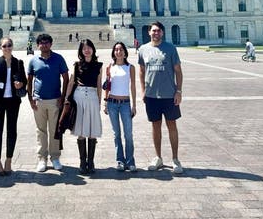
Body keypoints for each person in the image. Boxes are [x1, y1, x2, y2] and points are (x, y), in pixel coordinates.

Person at [138, 21, 184, 175]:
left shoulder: (170, 48)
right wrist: (143, 90)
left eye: (158, 31)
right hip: (151, 96)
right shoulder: (143, 49)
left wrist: (178, 91)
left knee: (172, 126)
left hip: (169, 95)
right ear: (149, 32)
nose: (155, 33)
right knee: (155, 127)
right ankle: (158, 157)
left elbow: (178, 71)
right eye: (153, 31)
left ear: (162, 33)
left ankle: (175, 159)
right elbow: (141, 71)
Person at [27, 33, 69, 172]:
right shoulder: (33, 60)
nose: (44, 45)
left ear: (51, 44)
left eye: (46, 42)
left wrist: (62, 97)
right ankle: (42, 158)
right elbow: (29, 80)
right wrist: (30, 98)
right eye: (41, 43)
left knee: (54, 130)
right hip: (38, 100)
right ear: (38, 45)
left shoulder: (58, 58)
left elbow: (66, 78)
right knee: (41, 131)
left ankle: (55, 157)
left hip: (54, 100)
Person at [64, 39, 103, 174]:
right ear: (81, 51)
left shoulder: (99, 65)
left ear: (93, 49)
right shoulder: (76, 65)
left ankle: (91, 162)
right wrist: (67, 100)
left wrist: (99, 101)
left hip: (92, 97)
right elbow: (70, 83)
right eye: (84, 48)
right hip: (79, 96)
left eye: (89, 47)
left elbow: (99, 84)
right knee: (80, 129)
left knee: (92, 130)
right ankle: (82, 161)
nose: (87, 50)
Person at [0, 37, 27, 176]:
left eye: (9, 45)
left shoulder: (18, 63)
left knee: (12, 130)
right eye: (4, 46)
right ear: (0, 47)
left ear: (12, 46)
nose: (7, 48)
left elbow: (24, 79)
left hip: (13, 101)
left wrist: (21, 84)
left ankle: (9, 160)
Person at [104, 41, 137, 172]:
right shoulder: (110, 66)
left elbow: (133, 86)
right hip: (112, 103)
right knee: (116, 134)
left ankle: (130, 161)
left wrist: (134, 105)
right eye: (116, 50)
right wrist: (105, 103)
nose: (119, 52)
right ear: (113, 52)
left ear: (125, 52)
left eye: (121, 49)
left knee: (128, 134)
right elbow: (107, 86)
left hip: (125, 104)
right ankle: (120, 161)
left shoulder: (130, 67)